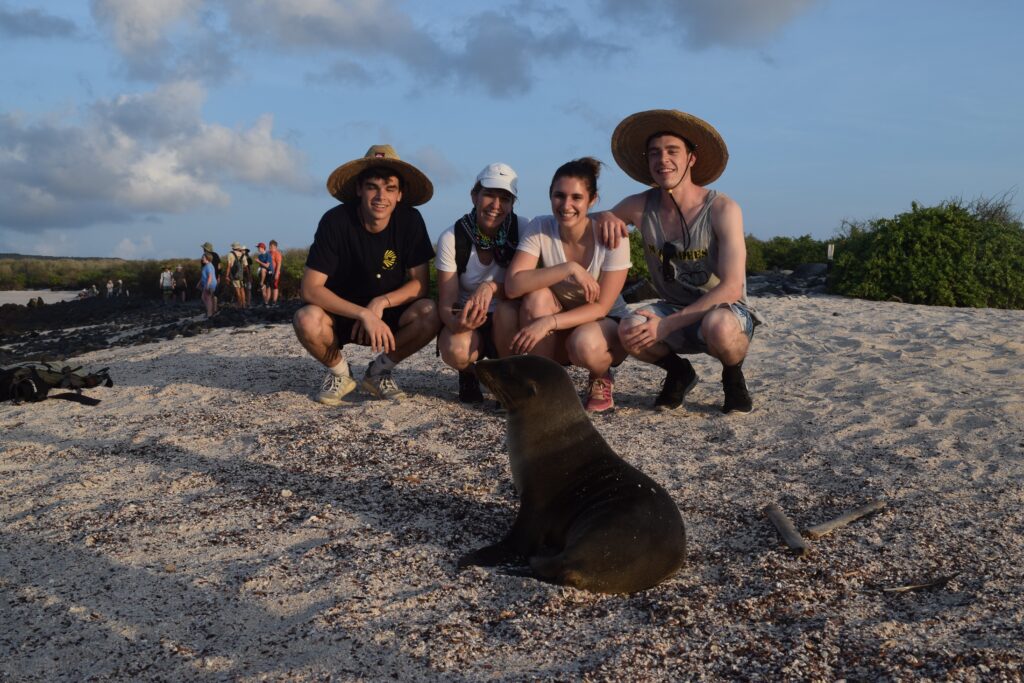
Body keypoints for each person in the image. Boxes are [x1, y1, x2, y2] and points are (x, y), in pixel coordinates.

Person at [597, 109, 760, 414]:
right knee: (630, 327)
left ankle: (733, 376)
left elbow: (732, 287)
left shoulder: (722, 208)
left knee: (720, 327)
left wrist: (667, 324)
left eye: (673, 151)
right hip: (672, 307)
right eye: (655, 153)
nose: (663, 160)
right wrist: (607, 215)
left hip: (723, 311)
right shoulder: (639, 205)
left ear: (691, 159)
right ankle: (678, 372)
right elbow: (587, 224)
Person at [293, 144, 441, 404]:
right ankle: (340, 373)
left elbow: (420, 285)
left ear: (400, 195)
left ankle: (380, 371)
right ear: (360, 189)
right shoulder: (335, 221)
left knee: (431, 311)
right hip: (341, 312)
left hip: (389, 313)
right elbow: (310, 288)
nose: (380, 196)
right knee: (306, 318)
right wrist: (362, 313)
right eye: (373, 186)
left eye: (390, 188)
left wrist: (380, 304)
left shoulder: (411, 221)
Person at [504, 158, 630, 413]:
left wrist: (549, 322)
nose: (566, 205)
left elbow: (601, 307)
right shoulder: (540, 226)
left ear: (592, 200)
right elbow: (513, 285)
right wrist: (568, 268)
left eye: (576, 197)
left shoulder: (611, 236)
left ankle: (600, 375)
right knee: (536, 297)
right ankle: (546, 384)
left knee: (583, 343)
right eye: (559, 196)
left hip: (605, 328)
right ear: (550, 196)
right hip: (563, 325)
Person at [435, 163, 526, 403]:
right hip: (468, 315)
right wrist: (457, 323)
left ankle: (507, 379)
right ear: (475, 196)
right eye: (489, 195)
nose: (496, 206)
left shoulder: (523, 229)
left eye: (504, 198)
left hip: (507, 317)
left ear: (512, 203)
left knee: (507, 311)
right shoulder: (452, 237)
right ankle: (469, 374)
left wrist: (492, 287)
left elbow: (527, 285)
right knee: (456, 350)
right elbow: (446, 301)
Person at [225, 242, 250, 308]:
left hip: (234, 274)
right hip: (241, 275)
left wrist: (227, 276)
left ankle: (240, 304)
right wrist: (248, 276)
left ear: (233, 247)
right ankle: (244, 305)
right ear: (238, 247)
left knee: (237, 290)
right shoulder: (243, 255)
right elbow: (246, 267)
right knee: (242, 289)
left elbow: (229, 266)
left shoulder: (230, 254)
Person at [199, 253, 217, 317]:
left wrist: (207, 285)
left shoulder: (209, 265)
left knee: (207, 298)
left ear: (207, 258)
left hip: (210, 284)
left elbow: (210, 276)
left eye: (203, 257)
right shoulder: (206, 265)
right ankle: (210, 311)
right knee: (204, 298)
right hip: (207, 284)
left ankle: (209, 313)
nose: (202, 259)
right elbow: (203, 276)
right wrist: (199, 283)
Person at [268, 240, 283, 306]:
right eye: (270, 246)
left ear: (275, 247)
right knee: (269, 286)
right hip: (269, 272)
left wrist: (277, 273)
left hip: (275, 272)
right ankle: (268, 301)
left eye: (272, 246)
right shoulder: (268, 253)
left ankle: (274, 301)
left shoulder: (277, 253)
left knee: (275, 286)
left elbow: (279, 264)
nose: (270, 247)